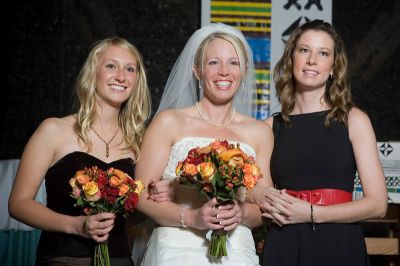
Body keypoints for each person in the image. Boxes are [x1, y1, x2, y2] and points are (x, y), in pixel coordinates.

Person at [135, 23, 274, 265]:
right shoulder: (169, 122)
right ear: (197, 71)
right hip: (176, 248)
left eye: (233, 62)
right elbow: (139, 196)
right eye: (213, 63)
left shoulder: (260, 132)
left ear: (244, 71)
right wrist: (191, 217)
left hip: (236, 250)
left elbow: (263, 209)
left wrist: (240, 213)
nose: (224, 71)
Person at [251, 20, 388, 266]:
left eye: (323, 53)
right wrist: (259, 194)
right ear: (291, 59)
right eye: (304, 50)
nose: (312, 60)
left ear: (333, 67)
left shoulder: (354, 120)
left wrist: (312, 213)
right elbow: (260, 194)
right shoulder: (268, 129)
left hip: (339, 245)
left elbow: (378, 205)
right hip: (284, 244)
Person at [8, 37, 151, 266]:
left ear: (137, 79)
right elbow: (18, 204)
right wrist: (75, 225)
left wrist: (153, 201)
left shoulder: (140, 142)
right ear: (92, 72)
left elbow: (135, 216)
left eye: (130, 69)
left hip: (120, 260)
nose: (121, 76)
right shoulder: (53, 129)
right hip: (62, 259)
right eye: (111, 66)